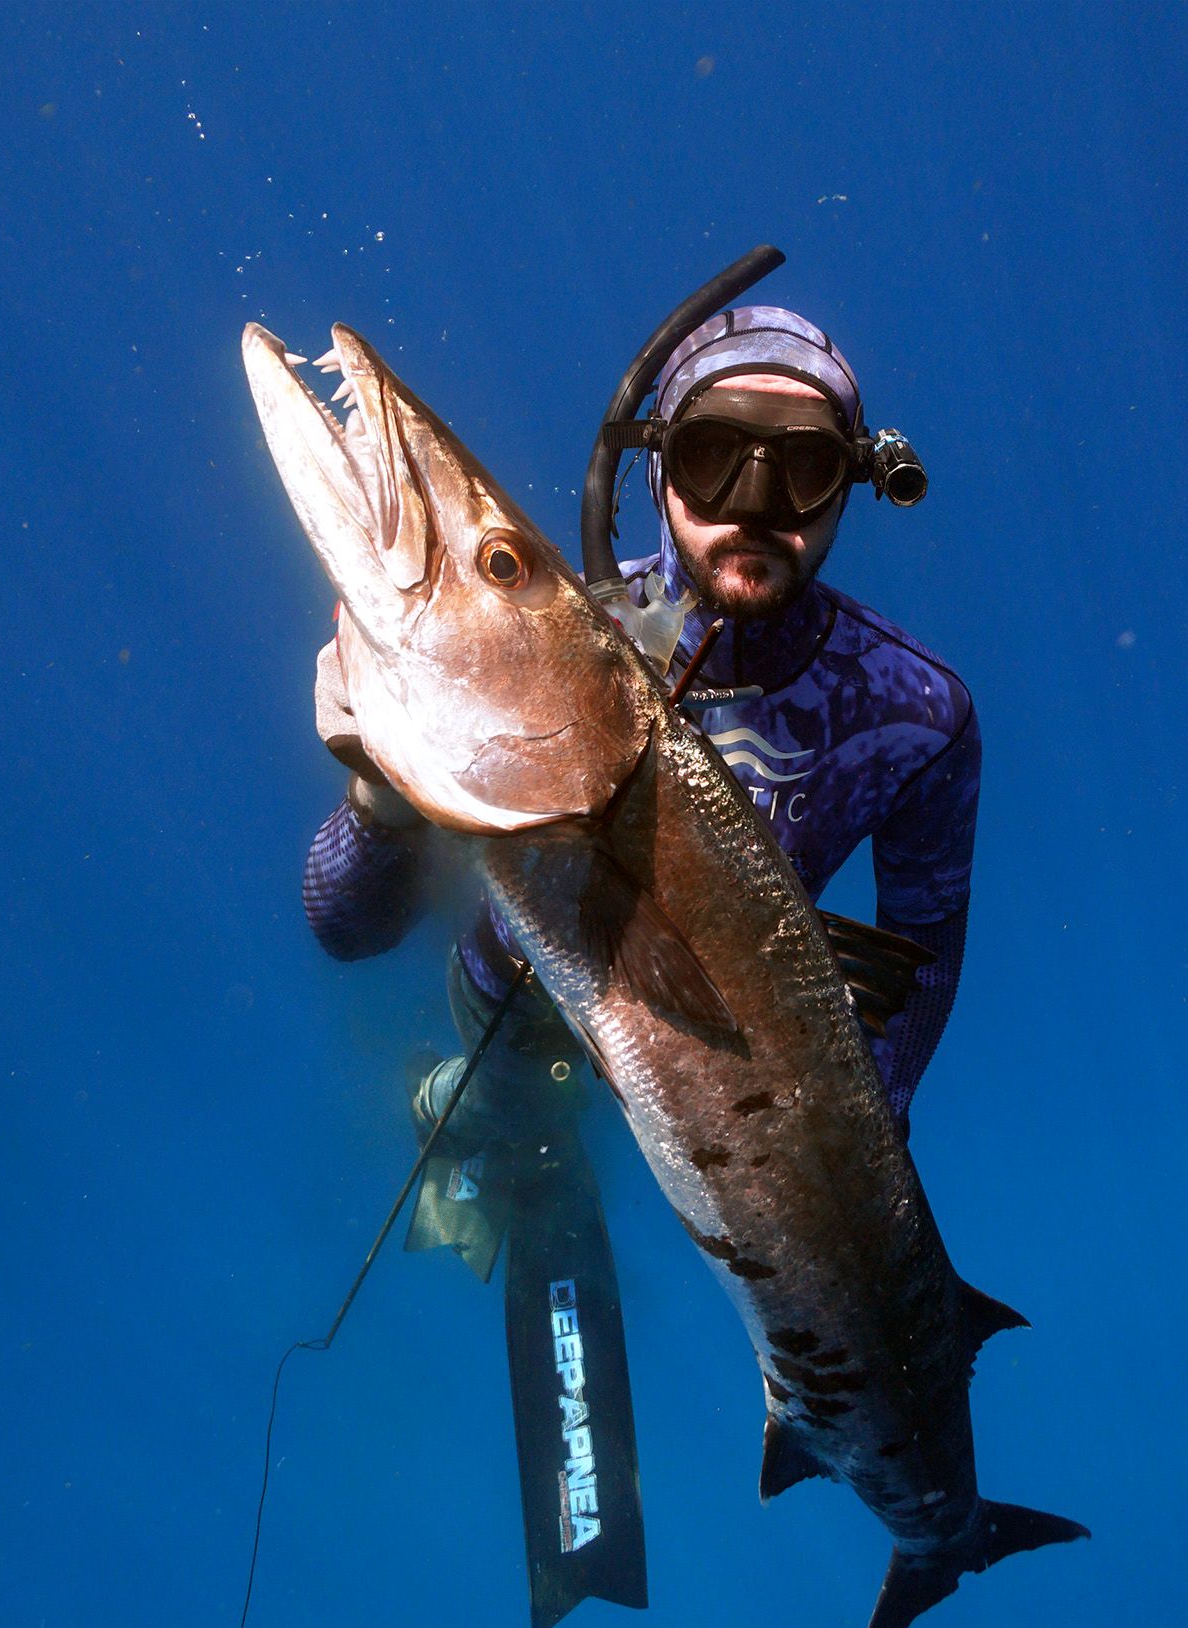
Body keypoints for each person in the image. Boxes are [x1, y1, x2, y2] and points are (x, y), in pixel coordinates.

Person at [303, 305, 978, 1178]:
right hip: (511, 1001)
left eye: (805, 465)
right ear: (656, 467)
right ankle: (453, 1111)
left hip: (731, 1072)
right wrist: (378, 791)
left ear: (853, 480)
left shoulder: (920, 712)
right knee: (502, 1124)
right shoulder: (528, 639)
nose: (756, 504)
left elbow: (922, 960)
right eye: (712, 453)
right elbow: (343, 925)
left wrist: (861, 1159)